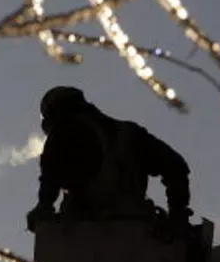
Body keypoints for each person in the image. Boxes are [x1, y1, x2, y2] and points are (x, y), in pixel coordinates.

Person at [25, 86, 192, 231]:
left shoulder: (64, 131)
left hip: (85, 237)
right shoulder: (129, 133)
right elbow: (176, 166)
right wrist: (177, 213)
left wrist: (43, 207)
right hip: (137, 232)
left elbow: (51, 174)